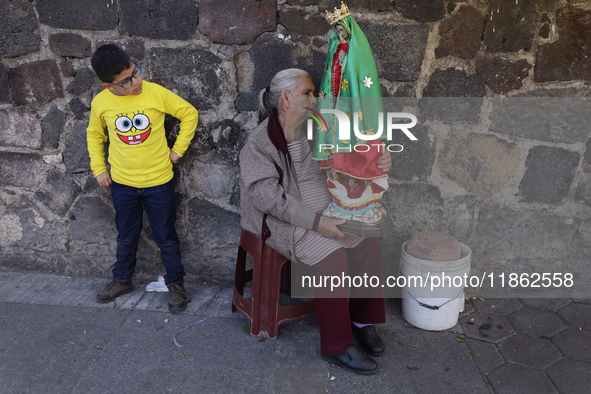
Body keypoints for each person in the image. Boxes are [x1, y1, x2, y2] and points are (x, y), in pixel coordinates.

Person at [239, 68, 390, 375]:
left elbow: (355, 154)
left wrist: (379, 158)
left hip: (331, 208)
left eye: (315, 92)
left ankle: (361, 320)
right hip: (286, 221)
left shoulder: (320, 128)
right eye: (307, 93)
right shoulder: (259, 143)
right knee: (331, 256)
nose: (316, 97)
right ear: (285, 98)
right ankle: (336, 346)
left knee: (368, 240)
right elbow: (268, 199)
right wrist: (318, 223)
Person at [86, 44, 198, 313]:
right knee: (126, 235)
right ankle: (122, 280)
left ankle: (176, 285)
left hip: (159, 182)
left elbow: (189, 113)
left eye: (135, 72)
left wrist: (177, 151)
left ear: (134, 62)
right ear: (107, 86)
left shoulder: (154, 92)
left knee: (166, 236)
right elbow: (94, 135)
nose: (135, 82)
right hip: (123, 184)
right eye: (125, 81)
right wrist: (99, 169)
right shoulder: (102, 103)